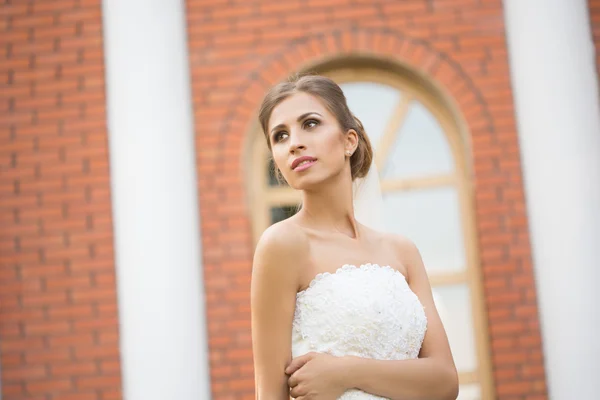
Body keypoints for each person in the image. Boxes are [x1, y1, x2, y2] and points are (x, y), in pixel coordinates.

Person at [251, 74, 458, 400]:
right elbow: (270, 393)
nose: (294, 142)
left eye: (310, 123)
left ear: (350, 141)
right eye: (280, 136)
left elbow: (445, 382)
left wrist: (345, 371)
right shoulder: (282, 245)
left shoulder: (402, 252)